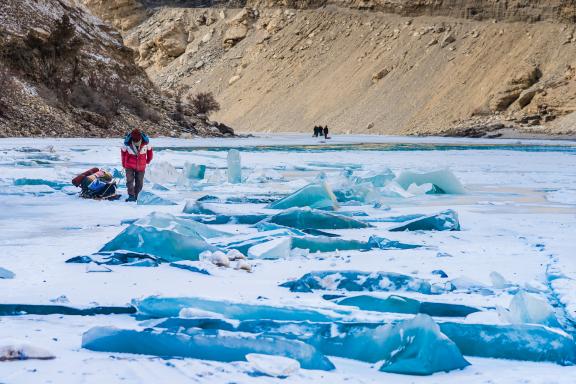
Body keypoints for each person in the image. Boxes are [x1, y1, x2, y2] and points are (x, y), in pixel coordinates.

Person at [121, 128, 153, 202]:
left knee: (139, 181)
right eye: (134, 141)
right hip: (129, 166)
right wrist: (124, 164)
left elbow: (150, 153)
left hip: (141, 166)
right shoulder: (126, 143)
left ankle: (137, 195)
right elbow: (123, 154)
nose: (136, 142)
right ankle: (131, 196)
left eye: (137, 141)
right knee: (129, 181)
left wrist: (147, 161)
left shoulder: (146, 143)